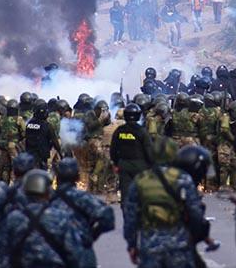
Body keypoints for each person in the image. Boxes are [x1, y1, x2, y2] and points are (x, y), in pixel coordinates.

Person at [123, 137, 208, 268]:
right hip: (179, 246)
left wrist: (132, 245)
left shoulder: (140, 180)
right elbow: (195, 212)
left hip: (150, 246)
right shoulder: (182, 178)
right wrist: (195, 236)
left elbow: (130, 217)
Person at [3, 169, 84, 267]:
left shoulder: (13, 218)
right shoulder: (60, 217)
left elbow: (2, 249)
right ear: (47, 191)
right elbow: (75, 251)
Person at [51, 158, 115, 267]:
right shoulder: (84, 198)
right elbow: (108, 217)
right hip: (81, 251)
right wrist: (92, 234)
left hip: (54, 252)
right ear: (77, 177)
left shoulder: (48, 199)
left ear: (57, 177)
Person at [110, 103, 153, 203]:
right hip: (140, 165)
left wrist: (116, 163)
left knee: (125, 191)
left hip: (124, 165)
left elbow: (113, 149)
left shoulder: (119, 131)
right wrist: (151, 165)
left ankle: (126, 210)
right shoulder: (142, 131)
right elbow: (148, 150)